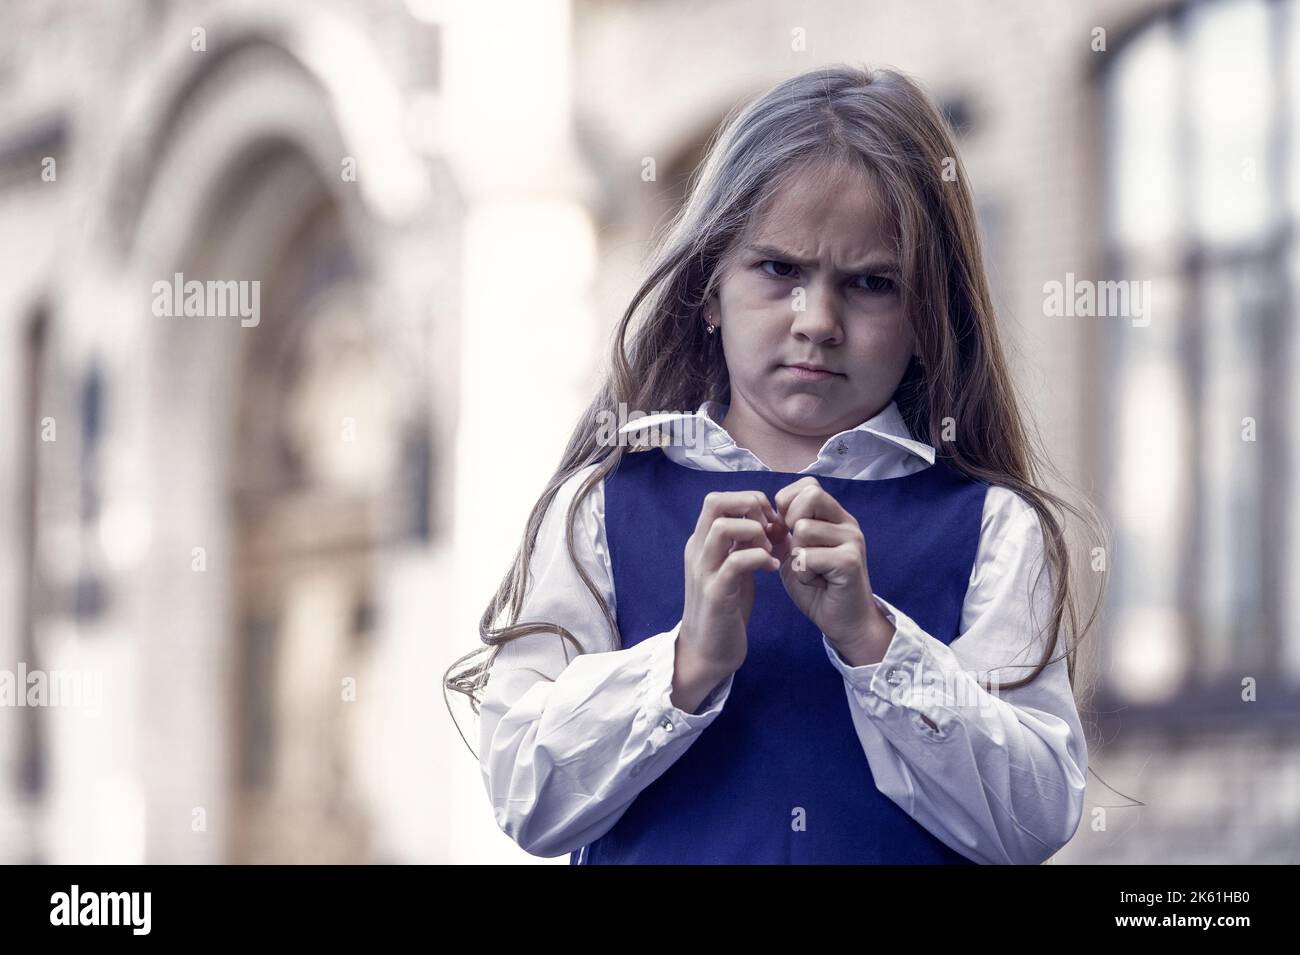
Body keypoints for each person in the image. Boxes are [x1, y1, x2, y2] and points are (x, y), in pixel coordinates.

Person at [444, 64, 1106, 865]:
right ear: (709, 284)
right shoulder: (605, 504)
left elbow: (1032, 820)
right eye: (780, 270)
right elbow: (526, 799)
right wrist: (685, 664)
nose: (817, 321)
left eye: (870, 283)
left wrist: (875, 642)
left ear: (930, 312)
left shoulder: (991, 524)